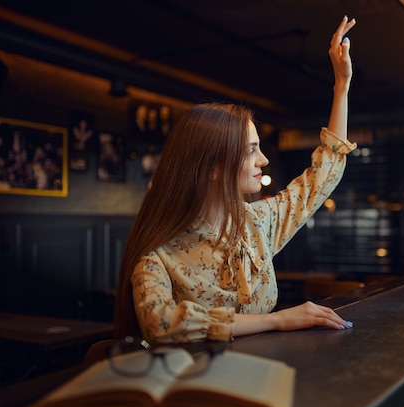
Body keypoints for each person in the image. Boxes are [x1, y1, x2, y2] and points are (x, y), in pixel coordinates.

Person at [114, 16, 357, 344]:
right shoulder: (159, 253)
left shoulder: (257, 222)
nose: (264, 160)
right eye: (251, 150)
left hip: (266, 376)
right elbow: (161, 323)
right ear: (212, 168)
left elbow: (321, 179)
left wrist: (341, 87)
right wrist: (277, 321)